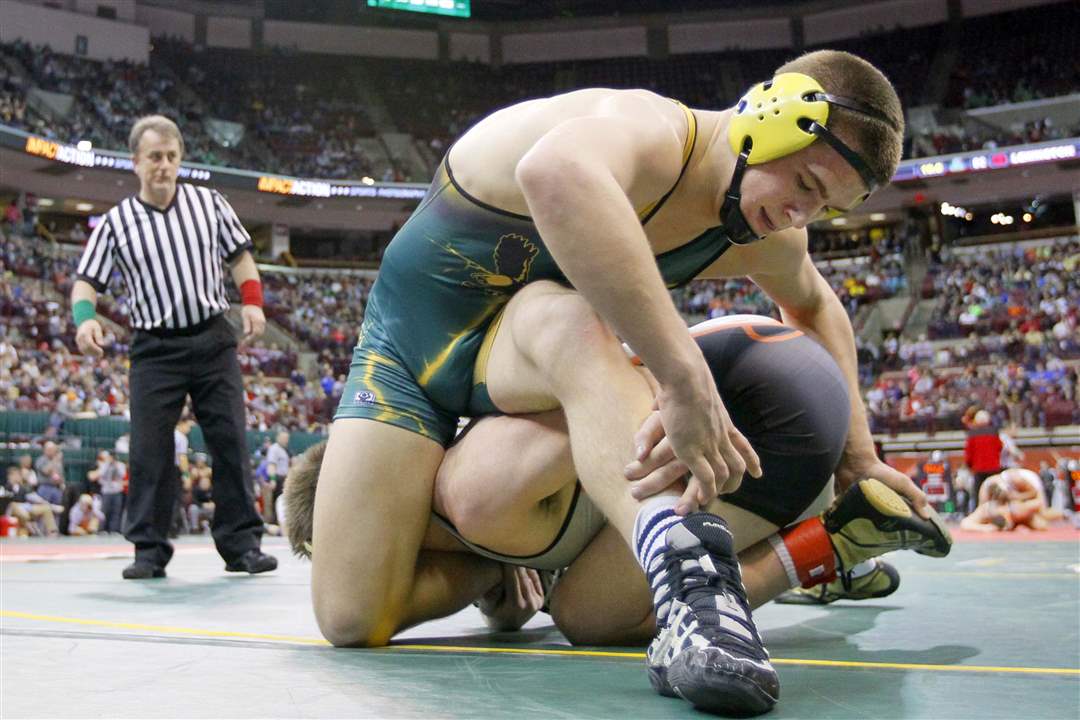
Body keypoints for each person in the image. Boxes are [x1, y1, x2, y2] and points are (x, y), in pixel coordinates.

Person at [314, 51, 920, 716]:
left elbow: (816, 305)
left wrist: (859, 458)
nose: (799, 214)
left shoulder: (758, 232)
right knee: (351, 618)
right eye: (805, 183)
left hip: (533, 355)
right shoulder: (649, 132)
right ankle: (496, 564)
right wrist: (682, 376)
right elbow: (553, 171)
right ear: (771, 118)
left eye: (824, 207)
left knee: (564, 318)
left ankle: (695, 589)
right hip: (404, 356)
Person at [293, 316, 949, 696]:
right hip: (753, 366)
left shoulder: (473, 490)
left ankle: (832, 541)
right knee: (592, 573)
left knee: (593, 614)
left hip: (751, 404)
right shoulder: (460, 488)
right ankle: (828, 533)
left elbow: (612, 393)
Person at [71, 115, 276, 580]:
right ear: (136, 162)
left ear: (180, 159)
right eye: (154, 157)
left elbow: (241, 257)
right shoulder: (117, 222)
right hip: (154, 348)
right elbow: (86, 282)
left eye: (170, 156)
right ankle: (149, 549)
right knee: (149, 450)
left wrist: (252, 303)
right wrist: (85, 321)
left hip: (212, 339)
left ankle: (242, 545)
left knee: (230, 441)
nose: (163, 165)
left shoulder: (209, 202)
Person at [965, 410, 1003, 505]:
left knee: (979, 495)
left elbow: (969, 452)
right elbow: (1000, 447)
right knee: (995, 496)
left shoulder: (972, 433)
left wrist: (969, 465)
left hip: (979, 469)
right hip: (993, 468)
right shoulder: (994, 432)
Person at [88, 450, 126, 534]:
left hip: (117, 490)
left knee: (116, 511)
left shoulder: (120, 465)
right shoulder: (104, 465)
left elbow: (122, 475)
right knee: (104, 511)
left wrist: (115, 465)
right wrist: (107, 464)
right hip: (106, 491)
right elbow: (101, 474)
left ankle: (114, 529)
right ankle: (102, 529)